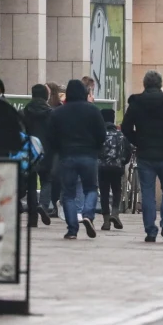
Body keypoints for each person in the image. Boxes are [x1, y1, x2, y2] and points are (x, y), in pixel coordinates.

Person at [122, 70, 163, 242]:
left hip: (145, 155)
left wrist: (138, 141)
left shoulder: (136, 103)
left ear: (144, 84)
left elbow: (126, 128)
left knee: (148, 192)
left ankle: (150, 230)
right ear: (160, 84)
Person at [47, 79, 106, 239]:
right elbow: (102, 134)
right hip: (89, 155)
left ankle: (72, 229)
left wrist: (59, 149)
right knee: (91, 189)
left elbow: (51, 137)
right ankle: (88, 215)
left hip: (67, 156)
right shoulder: (93, 111)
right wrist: (95, 147)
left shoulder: (58, 112)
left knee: (68, 194)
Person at [23, 84, 55, 225]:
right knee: (47, 180)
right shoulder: (52, 113)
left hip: (30, 151)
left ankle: (32, 218)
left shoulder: (24, 112)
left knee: (31, 184)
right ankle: (43, 205)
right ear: (46, 96)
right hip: (47, 150)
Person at [97, 108, 131, 230]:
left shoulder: (100, 134)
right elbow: (128, 152)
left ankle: (106, 220)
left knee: (104, 193)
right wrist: (122, 162)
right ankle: (115, 213)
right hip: (117, 168)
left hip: (102, 168)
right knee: (117, 190)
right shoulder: (121, 135)